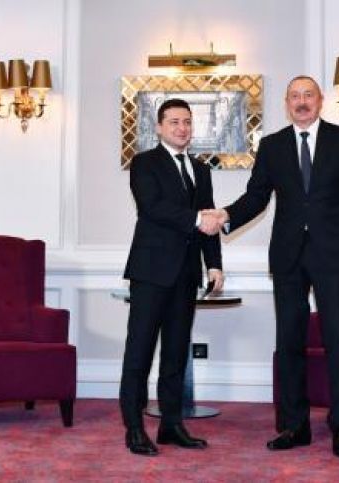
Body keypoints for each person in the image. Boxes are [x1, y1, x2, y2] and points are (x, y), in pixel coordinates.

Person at [202, 76, 339, 458]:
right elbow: (256, 197)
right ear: (287, 103)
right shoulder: (272, 145)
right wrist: (226, 215)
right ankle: (295, 426)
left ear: (320, 100)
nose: (302, 102)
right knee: (288, 343)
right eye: (295, 96)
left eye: (308, 95)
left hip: (336, 257)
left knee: (337, 341)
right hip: (288, 257)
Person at [120, 98, 225, 456]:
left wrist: (214, 265)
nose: (182, 128)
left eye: (187, 122)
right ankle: (134, 428)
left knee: (176, 354)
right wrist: (198, 219)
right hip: (151, 272)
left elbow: (209, 222)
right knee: (139, 352)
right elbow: (152, 207)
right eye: (175, 122)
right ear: (159, 127)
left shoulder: (201, 169)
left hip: (186, 274)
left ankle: (171, 424)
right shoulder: (144, 163)